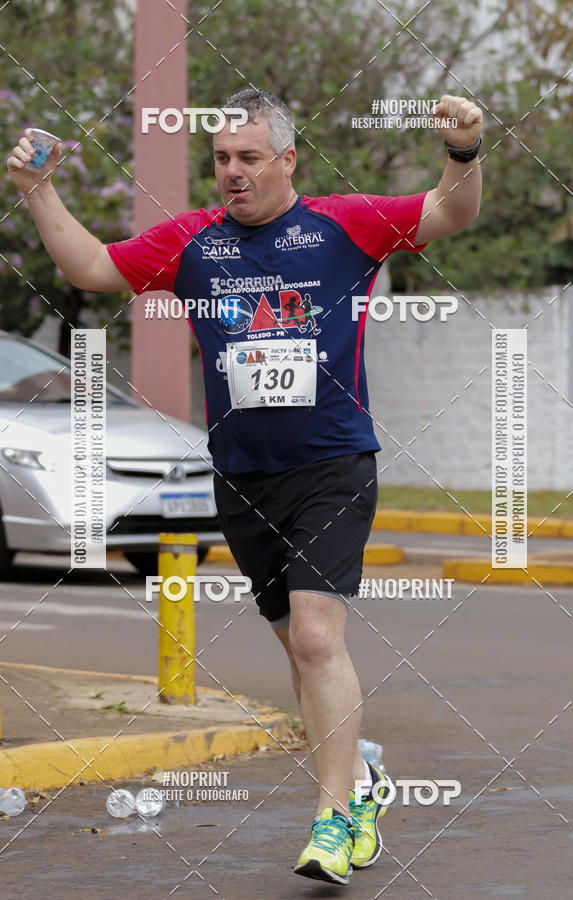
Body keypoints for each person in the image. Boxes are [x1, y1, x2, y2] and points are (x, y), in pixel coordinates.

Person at [7, 87, 482, 885]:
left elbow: (449, 212)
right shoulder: (194, 243)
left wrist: (463, 152)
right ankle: (358, 771)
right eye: (222, 158)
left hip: (331, 465)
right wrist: (37, 189)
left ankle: (336, 821)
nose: (233, 172)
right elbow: (88, 266)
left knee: (315, 637)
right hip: (244, 477)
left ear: (287, 159)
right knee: (298, 652)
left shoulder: (344, 224)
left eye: (250, 158)